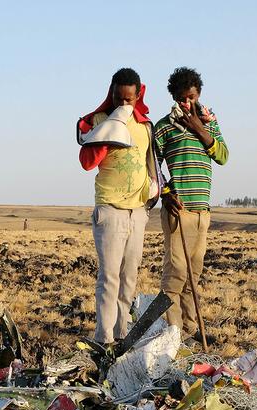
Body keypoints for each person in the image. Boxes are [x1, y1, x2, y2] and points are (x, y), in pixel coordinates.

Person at [77, 68, 160, 346]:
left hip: (137, 213)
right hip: (110, 211)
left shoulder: (146, 126)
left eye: (128, 100)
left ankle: (122, 336)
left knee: (129, 278)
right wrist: (113, 123)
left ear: (138, 96)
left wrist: (153, 194)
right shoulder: (99, 121)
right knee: (109, 277)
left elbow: (152, 165)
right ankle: (104, 340)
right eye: (118, 98)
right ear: (111, 93)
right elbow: (87, 162)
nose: (123, 104)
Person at [153, 67, 229, 343]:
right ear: (174, 97)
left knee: (193, 274)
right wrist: (165, 193)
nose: (187, 103)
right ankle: (171, 333)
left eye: (192, 97)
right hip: (179, 210)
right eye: (182, 99)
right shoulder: (163, 127)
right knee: (176, 272)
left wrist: (199, 128)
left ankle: (189, 328)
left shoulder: (210, 122)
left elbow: (222, 156)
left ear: (199, 95)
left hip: (202, 211)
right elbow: (153, 167)